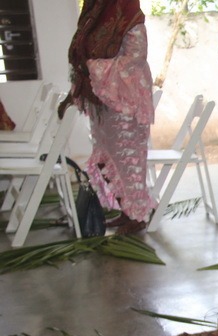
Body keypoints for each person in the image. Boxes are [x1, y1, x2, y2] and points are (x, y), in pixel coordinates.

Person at [60, 0, 156, 235]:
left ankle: (138, 216)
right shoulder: (92, 14)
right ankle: (126, 212)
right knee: (110, 158)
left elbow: (134, 58)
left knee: (128, 160)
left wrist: (92, 69)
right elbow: (79, 57)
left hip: (124, 101)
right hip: (102, 102)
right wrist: (77, 88)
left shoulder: (130, 15)